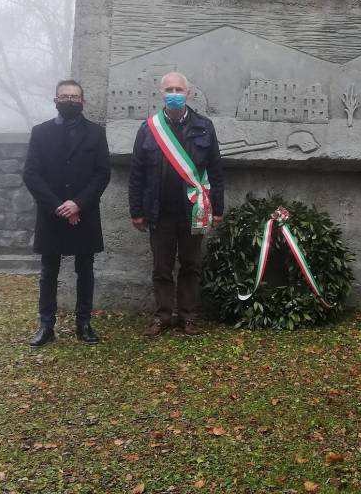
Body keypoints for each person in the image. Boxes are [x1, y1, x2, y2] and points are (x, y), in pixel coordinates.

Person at [129, 72, 225, 336]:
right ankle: (162, 315)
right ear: (161, 93)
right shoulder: (149, 128)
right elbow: (136, 172)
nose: (174, 93)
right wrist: (136, 211)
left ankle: (188, 316)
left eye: (178, 89)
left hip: (194, 211)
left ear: (188, 93)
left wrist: (218, 208)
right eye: (169, 89)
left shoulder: (204, 126)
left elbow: (216, 170)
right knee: (161, 267)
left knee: (191, 265)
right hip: (158, 212)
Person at [23, 80, 111, 347]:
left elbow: (102, 173)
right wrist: (59, 206)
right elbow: (31, 174)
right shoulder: (40, 132)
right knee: (49, 271)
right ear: (55, 100)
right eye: (64, 96)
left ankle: (83, 323)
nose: (69, 101)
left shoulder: (96, 133)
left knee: (85, 269)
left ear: (83, 101)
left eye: (74, 97)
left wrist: (78, 204)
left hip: (84, 212)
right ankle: (46, 325)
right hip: (52, 214)